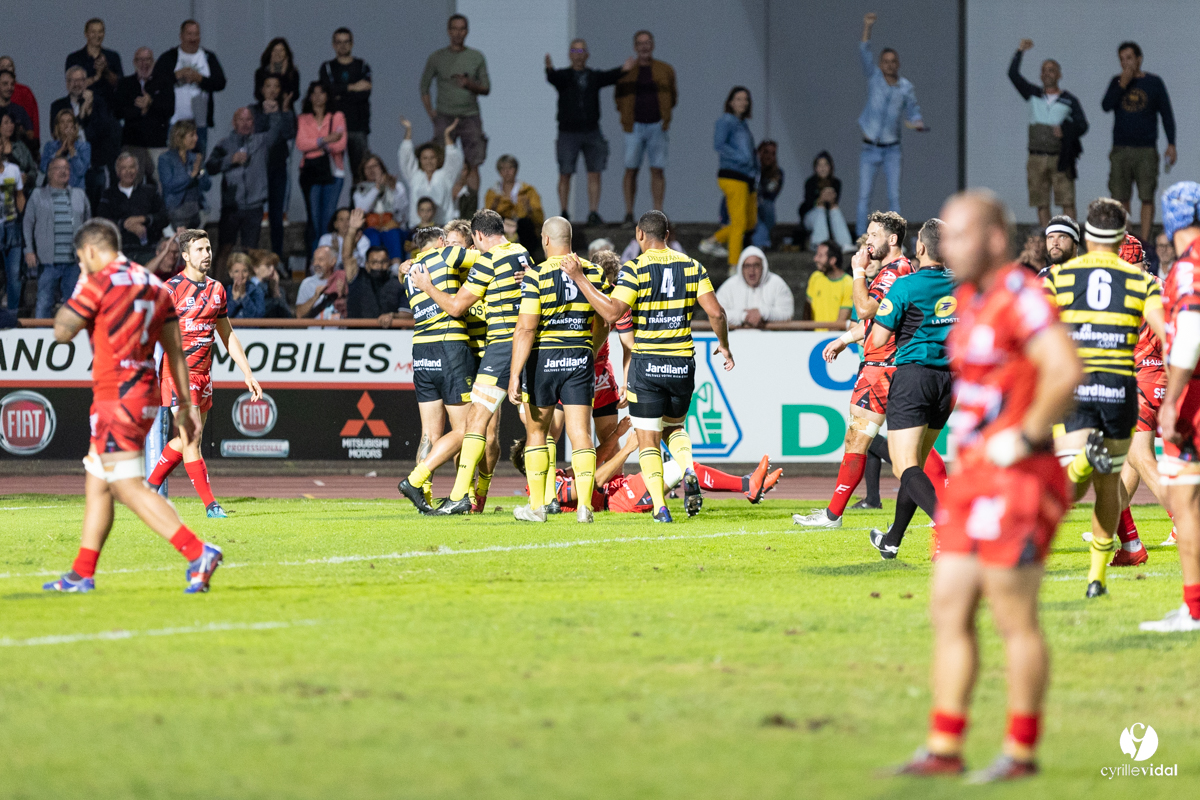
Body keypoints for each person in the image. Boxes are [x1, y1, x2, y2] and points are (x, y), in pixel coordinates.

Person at [886, 190, 1080, 781]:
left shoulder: (1020, 292)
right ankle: (944, 747)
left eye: (963, 234)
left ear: (994, 238)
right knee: (949, 609)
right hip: (972, 479)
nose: (949, 247)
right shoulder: (967, 297)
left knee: (1013, 617)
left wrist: (1022, 437)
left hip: (1017, 478)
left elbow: (1065, 368)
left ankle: (1020, 752)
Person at [43, 219, 223, 595]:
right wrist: (187, 405)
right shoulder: (154, 284)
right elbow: (174, 349)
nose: (82, 265)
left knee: (125, 486)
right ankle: (81, 573)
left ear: (90, 251)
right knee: (98, 483)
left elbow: (62, 332)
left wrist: (79, 287)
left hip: (116, 397)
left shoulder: (98, 281)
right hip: (145, 393)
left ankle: (197, 552)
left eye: (80, 259)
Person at [564, 210, 733, 522]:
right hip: (682, 363)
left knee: (648, 438)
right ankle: (688, 469)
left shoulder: (635, 269)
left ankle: (660, 507)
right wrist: (724, 345)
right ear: (668, 235)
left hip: (648, 365)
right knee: (675, 427)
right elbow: (717, 313)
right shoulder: (693, 266)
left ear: (640, 235)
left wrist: (579, 279)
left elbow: (613, 313)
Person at [1045, 198, 1162, 599]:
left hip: (1076, 386)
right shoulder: (1143, 282)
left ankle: (1080, 462)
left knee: (1072, 484)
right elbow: (1169, 334)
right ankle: (1098, 577)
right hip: (1119, 388)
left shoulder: (1059, 277)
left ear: (1088, 234)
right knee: (1110, 485)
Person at [795, 211, 921, 529]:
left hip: (884, 369)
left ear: (892, 239)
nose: (867, 242)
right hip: (883, 366)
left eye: (874, 235)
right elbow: (876, 320)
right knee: (895, 445)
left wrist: (857, 272)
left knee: (866, 442)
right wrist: (843, 339)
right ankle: (832, 514)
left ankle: (833, 516)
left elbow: (864, 309)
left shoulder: (895, 271)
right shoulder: (894, 271)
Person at [402, 209, 531, 515]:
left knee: (477, 435)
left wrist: (408, 267)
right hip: (465, 352)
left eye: (465, 244)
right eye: (457, 245)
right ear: (446, 243)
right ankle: (458, 492)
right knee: (472, 429)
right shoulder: (464, 261)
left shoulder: (424, 268)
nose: (464, 251)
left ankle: (457, 494)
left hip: (440, 352)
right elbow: (460, 303)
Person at [146, 228, 261, 517]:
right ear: (185, 255)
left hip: (204, 375)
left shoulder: (217, 290)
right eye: (200, 250)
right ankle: (211, 505)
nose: (207, 254)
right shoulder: (170, 290)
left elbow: (228, 334)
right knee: (193, 438)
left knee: (186, 441)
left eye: (208, 249)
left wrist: (247, 372)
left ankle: (147, 489)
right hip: (177, 375)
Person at [864, 219, 957, 559]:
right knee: (914, 463)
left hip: (914, 376)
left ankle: (948, 527)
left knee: (904, 466)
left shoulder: (905, 286)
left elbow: (877, 340)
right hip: (950, 382)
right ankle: (892, 539)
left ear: (920, 248)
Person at [506, 218, 605, 523]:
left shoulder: (536, 275)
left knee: (537, 432)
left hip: (544, 358)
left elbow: (525, 328)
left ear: (546, 240)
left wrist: (514, 372)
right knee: (580, 433)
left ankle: (537, 506)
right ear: (570, 239)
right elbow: (603, 320)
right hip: (579, 355)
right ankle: (585, 505)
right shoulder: (594, 271)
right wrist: (591, 348)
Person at [515, 419, 780, 513]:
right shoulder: (544, 490)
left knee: (684, 468)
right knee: (686, 468)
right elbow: (591, 482)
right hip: (619, 501)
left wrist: (616, 436)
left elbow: (590, 462)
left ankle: (747, 484)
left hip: (619, 491)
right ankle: (748, 486)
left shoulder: (555, 476)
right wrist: (628, 449)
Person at [1145, 181, 1200, 632]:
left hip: (1194, 395)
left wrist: (1172, 399)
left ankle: (1194, 608)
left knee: (1186, 504)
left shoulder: (1187, 266)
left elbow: (1192, 334)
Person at [395, 226, 478, 511]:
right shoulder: (448, 254)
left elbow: (402, 271)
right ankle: (417, 481)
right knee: (467, 429)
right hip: (450, 348)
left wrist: (402, 265)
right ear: (442, 242)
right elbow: (485, 261)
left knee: (428, 433)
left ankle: (425, 499)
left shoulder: (409, 272)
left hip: (421, 350)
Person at [545, 40, 632, 224]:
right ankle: (564, 211)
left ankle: (593, 211)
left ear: (587, 54)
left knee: (594, 172)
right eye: (575, 50)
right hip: (568, 132)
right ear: (570, 54)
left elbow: (610, 77)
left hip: (592, 131)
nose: (578, 54)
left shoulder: (593, 76)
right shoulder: (564, 76)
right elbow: (553, 78)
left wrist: (624, 69)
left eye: (581, 50)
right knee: (565, 172)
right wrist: (549, 69)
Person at [856, 13, 925, 236]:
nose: (889, 65)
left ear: (898, 64)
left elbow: (914, 111)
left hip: (891, 149)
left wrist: (917, 122)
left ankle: (897, 239)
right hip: (869, 147)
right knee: (864, 196)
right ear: (880, 64)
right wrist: (867, 27)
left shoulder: (905, 87)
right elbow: (863, 51)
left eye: (893, 61)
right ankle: (860, 237)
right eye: (885, 61)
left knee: (893, 196)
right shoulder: (874, 77)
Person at [1101, 42, 1175, 244]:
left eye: (1129, 58)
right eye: (1122, 59)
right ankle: (1125, 239)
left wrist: (1172, 143)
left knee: (1146, 196)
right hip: (1121, 148)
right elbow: (1106, 105)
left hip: (1146, 149)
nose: (1126, 63)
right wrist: (1122, 84)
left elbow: (1166, 113)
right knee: (1120, 196)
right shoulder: (1117, 81)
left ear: (1139, 59)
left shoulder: (1154, 82)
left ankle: (1144, 240)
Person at [1008, 39, 1087, 227]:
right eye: (1044, 70)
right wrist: (1019, 51)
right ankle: (1047, 238)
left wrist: (1067, 130)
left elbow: (1083, 125)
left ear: (1059, 74)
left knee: (1066, 200)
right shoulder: (1033, 93)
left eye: (1051, 70)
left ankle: (1070, 238)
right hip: (1036, 157)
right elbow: (1013, 75)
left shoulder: (1069, 100)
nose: (1047, 73)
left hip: (1060, 157)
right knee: (1041, 202)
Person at [421, 14, 489, 217]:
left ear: (466, 31)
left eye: (462, 29)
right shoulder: (437, 57)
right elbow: (424, 86)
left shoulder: (476, 57)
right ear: (449, 31)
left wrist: (469, 84)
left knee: (474, 163)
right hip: (444, 115)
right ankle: (438, 209)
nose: (458, 33)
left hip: (470, 115)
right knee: (439, 163)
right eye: (454, 29)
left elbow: (486, 88)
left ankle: (472, 211)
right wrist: (432, 113)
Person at [207, 106, 286, 266]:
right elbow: (210, 166)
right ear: (234, 122)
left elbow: (276, 131)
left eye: (248, 119)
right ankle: (215, 289)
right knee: (224, 249)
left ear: (254, 122)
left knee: (251, 252)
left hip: (254, 207)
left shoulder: (261, 142)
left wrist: (274, 113)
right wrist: (230, 159)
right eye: (241, 119)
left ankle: (248, 289)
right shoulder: (225, 144)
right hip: (232, 208)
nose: (245, 123)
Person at [615, 31, 676, 224]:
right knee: (631, 169)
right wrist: (626, 116)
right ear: (635, 47)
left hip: (657, 125)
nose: (644, 47)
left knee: (657, 169)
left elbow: (672, 96)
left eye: (648, 42)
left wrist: (664, 115)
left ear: (653, 45)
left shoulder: (665, 69)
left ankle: (658, 213)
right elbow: (618, 97)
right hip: (634, 127)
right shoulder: (626, 72)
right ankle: (629, 213)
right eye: (640, 43)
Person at [23, 158, 90, 318]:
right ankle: (41, 337)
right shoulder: (38, 195)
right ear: (49, 172)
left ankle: (75, 339)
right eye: (58, 168)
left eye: (66, 168)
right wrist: (29, 250)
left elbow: (89, 227)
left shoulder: (80, 195)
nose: (63, 171)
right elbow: (27, 224)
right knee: (44, 302)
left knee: (74, 304)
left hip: (73, 261)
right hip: (47, 262)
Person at [699, 87, 757, 269]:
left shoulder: (742, 124)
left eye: (745, 99)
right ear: (731, 102)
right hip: (733, 175)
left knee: (749, 222)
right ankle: (734, 266)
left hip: (746, 177)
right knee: (739, 222)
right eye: (739, 99)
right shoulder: (726, 120)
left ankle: (712, 241)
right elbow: (719, 144)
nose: (743, 103)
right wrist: (743, 159)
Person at [152, 19, 227, 155]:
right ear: (181, 36)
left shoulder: (208, 57)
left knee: (198, 164)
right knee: (174, 162)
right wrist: (176, 76)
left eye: (196, 34)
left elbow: (220, 83)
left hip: (200, 125)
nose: (193, 38)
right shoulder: (169, 57)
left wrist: (200, 79)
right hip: (174, 123)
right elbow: (155, 83)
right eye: (189, 34)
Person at [296, 82, 347, 254]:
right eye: (314, 93)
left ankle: (328, 258)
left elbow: (341, 144)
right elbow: (301, 144)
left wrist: (318, 144)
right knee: (314, 219)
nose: (318, 97)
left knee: (328, 219)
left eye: (322, 92)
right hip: (311, 173)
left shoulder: (337, 116)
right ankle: (315, 259)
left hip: (333, 172)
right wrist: (325, 140)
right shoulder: (303, 119)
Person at [251, 73, 297, 259]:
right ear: (261, 89)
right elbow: (257, 134)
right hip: (256, 168)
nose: (272, 90)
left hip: (277, 166)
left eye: (276, 86)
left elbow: (288, 134)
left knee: (276, 215)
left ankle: (276, 257)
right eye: (268, 86)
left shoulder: (286, 111)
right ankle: (252, 258)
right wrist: (268, 115)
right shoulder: (253, 110)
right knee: (254, 214)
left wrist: (283, 112)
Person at [319, 28, 372, 180]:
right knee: (333, 174)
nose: (342, 46)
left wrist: (339, 93)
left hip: (358, 127)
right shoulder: (327, 67)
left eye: (346, 42)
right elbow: (327, 92)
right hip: (334, 129)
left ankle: (358, 203)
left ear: (352, 44)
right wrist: (352, 87)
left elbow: (365, 93)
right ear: (333, 45)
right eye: (339, 42)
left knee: (361, 173)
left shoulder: (362, 66)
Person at [115, 47, 173, 187]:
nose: (144, 63)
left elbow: (169, 109)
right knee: (132, 186)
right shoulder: (125, 84)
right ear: (134, 62)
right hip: (133, 144)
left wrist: (151, 103)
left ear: (153, 61)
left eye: (147, 59)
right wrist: (140, 110)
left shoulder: (164, 83)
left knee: (161, 186)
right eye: (140, 60)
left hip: (158, 144)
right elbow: (118, 112)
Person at [96, 151, 166, 264]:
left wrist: (143, 219)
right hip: (119, 252)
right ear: (117, 172)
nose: (128, 171)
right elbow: (102, 222)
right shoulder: (108, 195)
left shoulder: (150, 192)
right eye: (124, 168)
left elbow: (164, 218)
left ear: (137, 170)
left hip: (148, 251)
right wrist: (125, 224)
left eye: (132, 167)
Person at [342, 209, 404, 326]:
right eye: (374, 262)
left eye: (383, 262)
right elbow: (347, 256)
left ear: (389, 263)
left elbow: (408, 315)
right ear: (367, 264)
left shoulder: (398, 284)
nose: (379, 266)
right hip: (357, 337)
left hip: (388, 338)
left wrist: (393, 316)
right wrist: (351, 230)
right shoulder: (357, 277)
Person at [399, 115, 462, 227]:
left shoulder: (445, 176)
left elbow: (453, 159)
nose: (429, 161)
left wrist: (447, 135)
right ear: (420, 160)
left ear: (438, 159)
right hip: (418, 227)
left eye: (432, 158)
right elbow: (405, 156)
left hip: (443, 226)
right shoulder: (414, 176)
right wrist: (408, 130)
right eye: (425, 158)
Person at [716, 245, 793, 329]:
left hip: (771, 339)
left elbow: (787, 313)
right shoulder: (729, 286)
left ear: (763, 266)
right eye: (747, 266)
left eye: (756, 265)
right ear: (741, 268)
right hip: (736, 339)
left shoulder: (777, 284)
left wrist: (763, 313)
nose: (751, 270)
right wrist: (743, 316)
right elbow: (715, 313)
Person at [484, 155, 545, 258]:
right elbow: (487, 218)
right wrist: (493, 208)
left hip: (523, 228)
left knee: (525, 224)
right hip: (502, 226)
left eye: (510, 168)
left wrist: (529, 209)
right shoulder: (493, 193)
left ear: (516, 170)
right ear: (499, 171)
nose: (507, 172)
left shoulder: (528, 191)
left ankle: (528, 258)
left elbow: (539, 217)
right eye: (503, 169)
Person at [353, 152, 409, 259]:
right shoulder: (360, 190)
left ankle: (395, 267)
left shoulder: (397, 186)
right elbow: (362, 209)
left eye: (374, 166)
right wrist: (377, 187)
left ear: (381, 167)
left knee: (393, 234)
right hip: (371, 227)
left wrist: (393, 189)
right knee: (373, 237)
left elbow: (401, 208)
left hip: (392, 225)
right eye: (367, 167)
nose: (371, 170)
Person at [158, 120, 210, 230]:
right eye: (192, 135)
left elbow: (207, 185)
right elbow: (169, 185)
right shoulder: (166, 159)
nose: (196, 138)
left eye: (196, 134)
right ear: (179, 137)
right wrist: (191, 175)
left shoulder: (195, 158)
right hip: (176, 212)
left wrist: (200, 171)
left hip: (195, 211)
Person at [799, 151, 852, 250]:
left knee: (835, 209)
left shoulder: (836, 183)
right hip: (811, 217)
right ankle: (820, 244)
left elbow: (835, 202)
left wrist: (831, 200)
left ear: (830, 167)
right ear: (815, 168)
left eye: (825, 165)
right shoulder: (810, 182)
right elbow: (808, 204)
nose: (822, 168)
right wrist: (821, 199)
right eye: (819, 165)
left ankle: (845, 243)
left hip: (829, 215)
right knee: (820, 209)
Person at [64, 18, 123, 102]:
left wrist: (106, 71)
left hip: (108, 108)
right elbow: (72, 86)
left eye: (100, 32)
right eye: (93, 32)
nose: (97, 36)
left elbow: (120, 85)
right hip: (83, 107)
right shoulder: (74, 59)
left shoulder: (113, 57)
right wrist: (96, 78)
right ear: (86, 34)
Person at [0, 137, 24, 313]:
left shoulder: (13, 170)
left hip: (11, 225)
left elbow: (19, 195)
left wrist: (20, 217)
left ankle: (13, 314)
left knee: (14, 274)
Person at [40, 108, 91, 191]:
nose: (66, 125)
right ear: (58, 126)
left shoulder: (84, 147)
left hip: (76, 191)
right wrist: (58, 153)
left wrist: (71, 149)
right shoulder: (50, 146)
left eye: (69, 121)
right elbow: (43, 168)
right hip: (53, 191)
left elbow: (81, 171)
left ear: (74, 126)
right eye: (62, 122)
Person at [804, 242, 852, 329]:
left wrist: (828, 341)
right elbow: (808, 309)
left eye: (820, 255)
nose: (815, 259)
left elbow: (841, 320)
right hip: (813, 338)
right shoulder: (815, 277)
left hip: (833, 339)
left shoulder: (848, 283)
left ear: (832, 260)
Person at [295, 245, 344, 320]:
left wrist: (343, 295)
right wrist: (315, 297)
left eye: (320, 260)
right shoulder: (307, 283)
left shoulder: (342, 280)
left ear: (333, 261)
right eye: (314, 260)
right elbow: (299, 315)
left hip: (338, 330)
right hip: (315, 331)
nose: (316, 264)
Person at [750, 140, 783, 249]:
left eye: (773, 153)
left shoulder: (777, 174)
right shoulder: (750, 170)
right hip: (749, 206)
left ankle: (759, 241)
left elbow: (770, 195)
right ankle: (760, 244)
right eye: (766, 152)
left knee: (767, 206)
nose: (769, 156)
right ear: (758, 153)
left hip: (764, 207)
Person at [0, 58, 39, 149]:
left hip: (18, 154)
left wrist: (21, 132)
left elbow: (31, 134)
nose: (9, 88)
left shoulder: (20, 110)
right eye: (5, 84)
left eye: (12, 84)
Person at [255, 38, 300, 113]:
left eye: (281, 50)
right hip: (265, 111)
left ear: (286, 53)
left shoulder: (292, 73)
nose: (278, 53)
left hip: (286, 112)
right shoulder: (261, 72)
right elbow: (258, 94)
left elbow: (294, 95)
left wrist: (283, 75)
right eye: (275, 50)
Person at [317, 207, 369, 271]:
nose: (345, 223)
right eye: (341, 219)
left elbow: (362, 265)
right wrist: (335, 252)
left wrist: (354, 248)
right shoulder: (326, 239)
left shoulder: (362, 239)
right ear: (335, 224)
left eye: (348, 219)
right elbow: (322, 265)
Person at [0, 110, 37, 191]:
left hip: (21, 190)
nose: (10, 126)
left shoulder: (20, 146)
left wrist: (27, 178)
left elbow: (33, 169)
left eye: (12, 122)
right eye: (6, 123)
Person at [251, 249, 292, 318]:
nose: (272, 269)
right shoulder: (248, 288)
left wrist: (276, 290)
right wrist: (275, 301)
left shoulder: (279, 290)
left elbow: (287, 317)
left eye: (274, 266)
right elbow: (259, 313)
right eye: (268, 266)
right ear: (256, 268)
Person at [226, 252, 264, 319]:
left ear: (249, 272)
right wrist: (234, 300)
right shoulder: (226, 291)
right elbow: (222, 318)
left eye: (244, 271)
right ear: (230, 273)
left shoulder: (257, 291)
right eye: (236, 271)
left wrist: (244, 296)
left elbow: (257, 317)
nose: (241, 276)